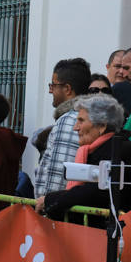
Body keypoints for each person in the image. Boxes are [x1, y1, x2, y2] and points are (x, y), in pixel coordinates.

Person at [36, 94, 131, 226]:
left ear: (101, 126)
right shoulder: (95, 150)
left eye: (81, 121)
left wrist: (50, 200)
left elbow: (94, 192)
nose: (75, 127)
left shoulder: (119, 151)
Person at [34, 58, 91, 198]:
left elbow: (58, 173)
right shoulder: (81, 116)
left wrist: (48, 204)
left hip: (56, 214)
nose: (50, 91)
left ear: (67, 89)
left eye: (53, 85)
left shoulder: (69, 120)